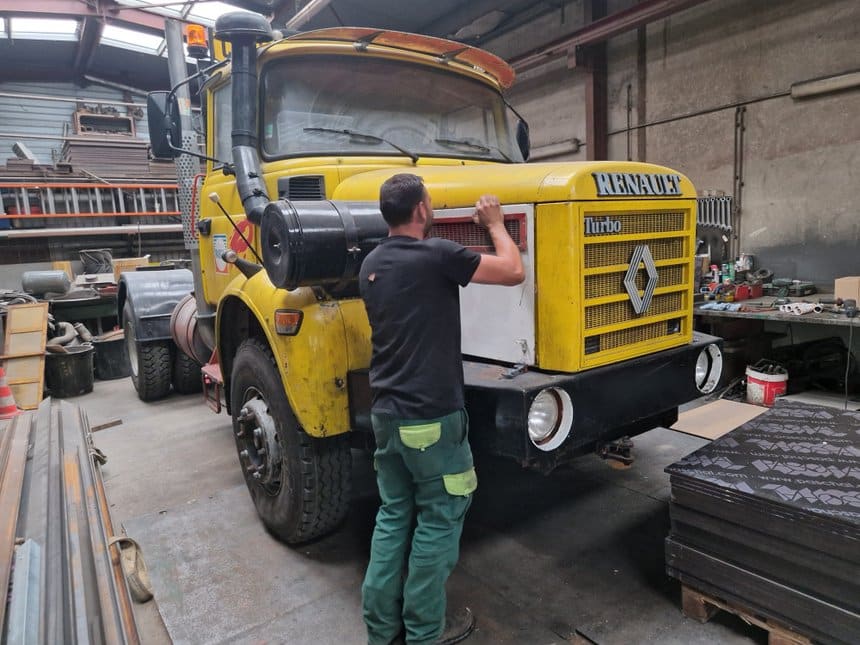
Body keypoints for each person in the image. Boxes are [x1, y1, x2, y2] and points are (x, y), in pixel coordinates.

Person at [359, 173, 525, 645]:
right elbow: (513, 271)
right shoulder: (436, 256)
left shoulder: (371, 263)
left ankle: (381, 630)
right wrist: (494, 224)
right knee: (440, 518)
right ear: (421, 211)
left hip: (386, 417)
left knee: (393, 516)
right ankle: (424, 633)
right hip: (431, 418)